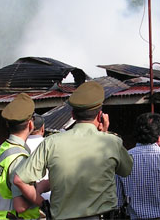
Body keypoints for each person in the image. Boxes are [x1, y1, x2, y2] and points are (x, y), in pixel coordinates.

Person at [14, 81, 134, 219]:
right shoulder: (112, 142)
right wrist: (105, 133)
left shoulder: (51, 143)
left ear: (73, 115)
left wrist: (43, 204)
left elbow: (19, 180)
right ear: (100, 115)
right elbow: (126, 170)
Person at [0, 93, 43, 219]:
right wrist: (41, 196)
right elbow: (21, 206)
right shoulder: (20, 158)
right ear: (30, 125)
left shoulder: (3, 148)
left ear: (7, 124)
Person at [25, 113, 51, 201]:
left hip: (27, 195)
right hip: (48, 195)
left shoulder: (21, 145)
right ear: (43, 128)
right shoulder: (50, 144)